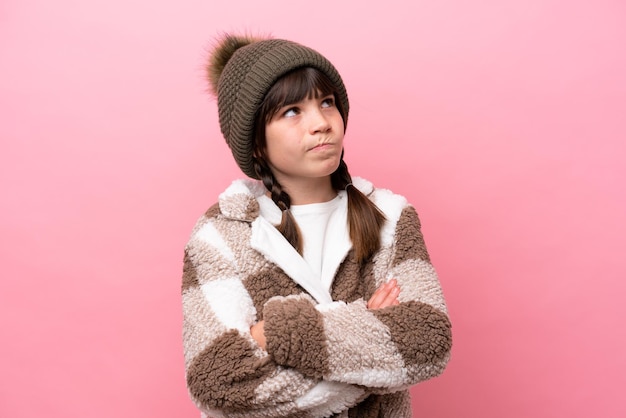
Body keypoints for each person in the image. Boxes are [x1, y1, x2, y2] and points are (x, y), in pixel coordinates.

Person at [182, 34, 452, 418]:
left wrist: (276, 334)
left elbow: (427, 342)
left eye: (327, 102)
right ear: (256, 142)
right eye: (292, 111)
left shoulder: (390, 216)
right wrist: (368, 335)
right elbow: (218, 384)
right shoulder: (220, 235)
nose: (322, 123)